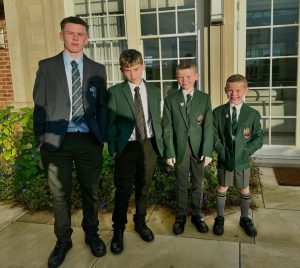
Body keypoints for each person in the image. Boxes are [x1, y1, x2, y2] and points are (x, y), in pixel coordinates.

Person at [33, 16, 107, 267]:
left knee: (91, 192)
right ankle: (63, 239)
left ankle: (92, 234)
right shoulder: (46, 67)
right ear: (61, 35)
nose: (75, 38)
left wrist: (103, 136)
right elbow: (39, 105)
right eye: (70, 33)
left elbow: (102, 106)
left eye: (80, 34)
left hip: (89, 141)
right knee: (59, 196)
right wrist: (40, 140)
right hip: (56, 143)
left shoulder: (98, 69)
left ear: (86, 38)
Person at [107, 49, 163, 254]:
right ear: (122, 70)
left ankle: (140, 222)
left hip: (149, 145)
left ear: (143, 66)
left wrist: (161, 146)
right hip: (127, 147)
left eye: (136, 69)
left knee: (144, 187)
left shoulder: (155, 91)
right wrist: (113, 148)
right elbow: (110, 123)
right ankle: (118, 230)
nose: (132, 74)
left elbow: (157, 119)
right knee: (123, 189)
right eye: (128, 70)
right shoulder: (114, 92)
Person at [162, 60, 214, 235]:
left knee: (198, 183)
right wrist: (169, 151)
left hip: (199, 149)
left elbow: (208, 127)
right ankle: (181, 215)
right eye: (181, 77)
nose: (185, 80)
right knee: (181, 183)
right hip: (180, 149)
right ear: (177, 78)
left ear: (196, 76)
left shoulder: (204, 98)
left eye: (189, 76)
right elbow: (167, 128)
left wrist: (207, 151)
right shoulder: (170, 100)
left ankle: (197, 214)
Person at [212, 74, 263, 237]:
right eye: (230, 90)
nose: (234, 94)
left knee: (244, 188)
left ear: (246, 90)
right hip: (225, 158)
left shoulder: (252, 114)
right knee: (222, 187)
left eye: (238, 90)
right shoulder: (218, 112)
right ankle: (219, 218)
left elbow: (258, 138)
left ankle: (244, 218)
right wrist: (221, 150)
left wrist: (246, 151)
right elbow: (213, 135)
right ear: (225, 90)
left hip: (242, 159)